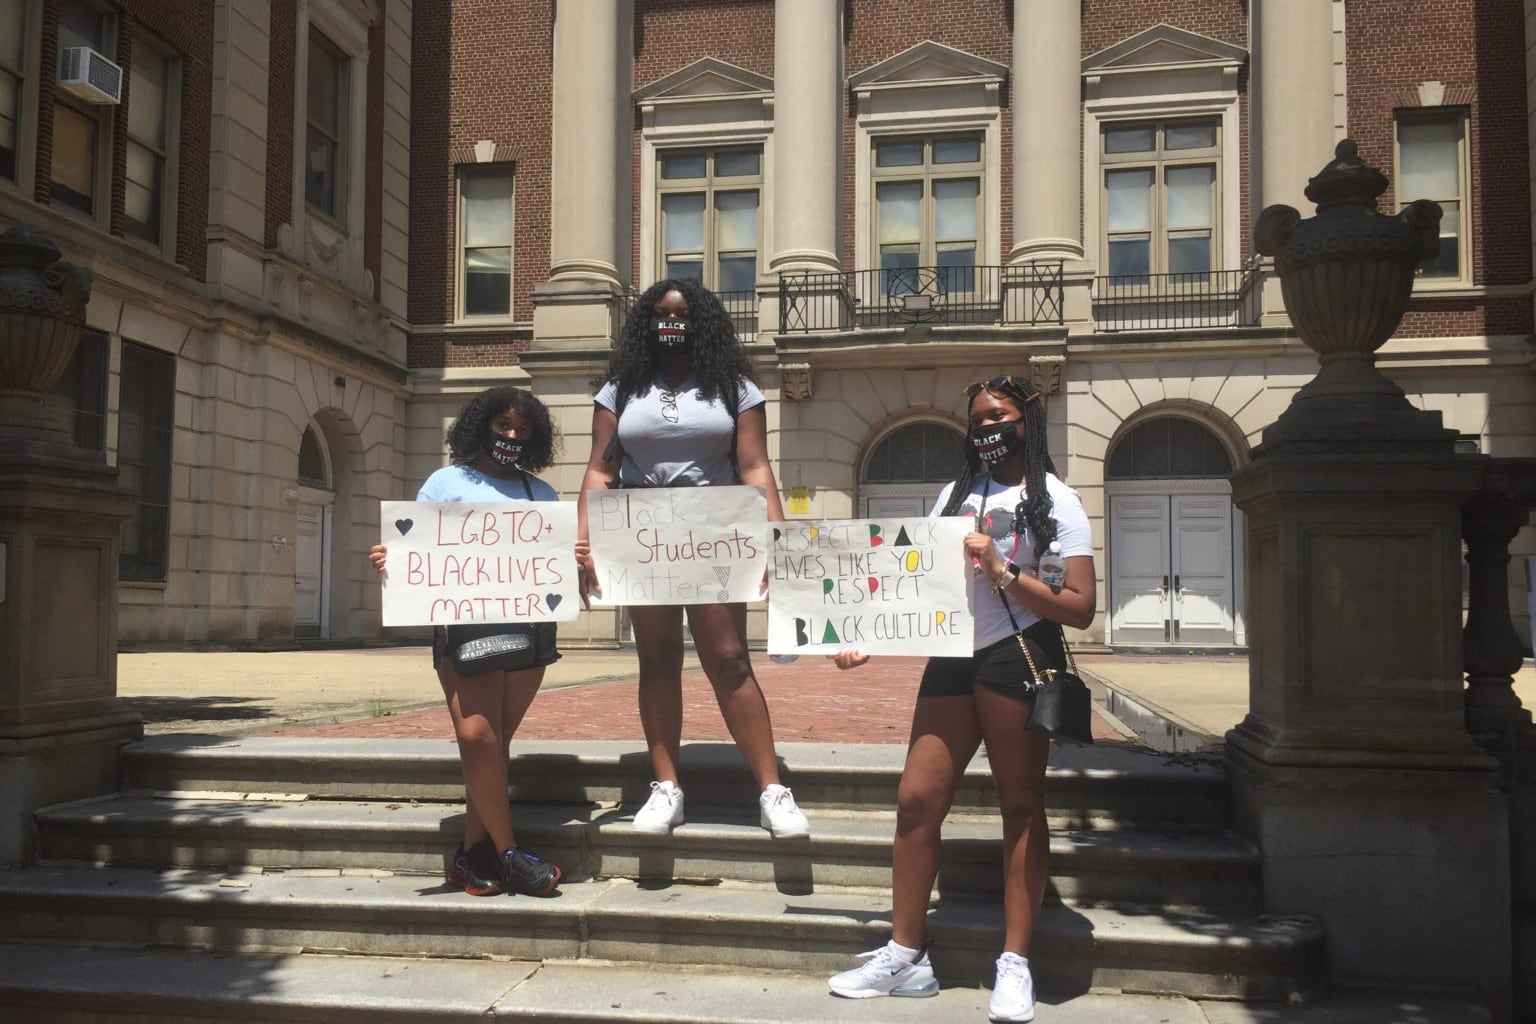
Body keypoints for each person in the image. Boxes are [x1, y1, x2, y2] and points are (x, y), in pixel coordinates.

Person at [825, 374, 1096, 1023]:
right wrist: (865, 635)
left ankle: (1015, 961)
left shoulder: (1057, 501)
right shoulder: (954, 492)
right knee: (917, 799)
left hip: (1017, 654)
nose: (987, 430)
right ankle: (906, 951)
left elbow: (1080, 607)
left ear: (1027, 421)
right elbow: (916, 576)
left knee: (1021, 808)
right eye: (977, 420)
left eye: (999, 417)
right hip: (951, 652)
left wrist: (1004, 570)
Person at [575, 278, 809, 840]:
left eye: (680, 315)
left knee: (729, 660)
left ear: (701, 322)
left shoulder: (735, 389)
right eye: (659, 314)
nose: (669, 323)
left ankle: (773, 790)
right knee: (656, 660)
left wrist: (777, 538)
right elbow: (601, 470)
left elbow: (755, 466)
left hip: (716, 531)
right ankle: (665, 788)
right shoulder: (619, 389)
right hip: (640, 533)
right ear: (645, 323)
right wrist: (584, 539)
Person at [369, 385, 565, 898]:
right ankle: (509, 854)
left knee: (493, 745)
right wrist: (390, 558)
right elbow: (414, 550)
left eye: (522, 430)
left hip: (528, 629)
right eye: (503, 426)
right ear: (482, 425)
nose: (512, 436)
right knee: (479, 738)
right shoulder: (446, 482)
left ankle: (468, 858)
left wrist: (579, 560)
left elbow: (556, 561)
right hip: (464, 628)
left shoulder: (540, 494)